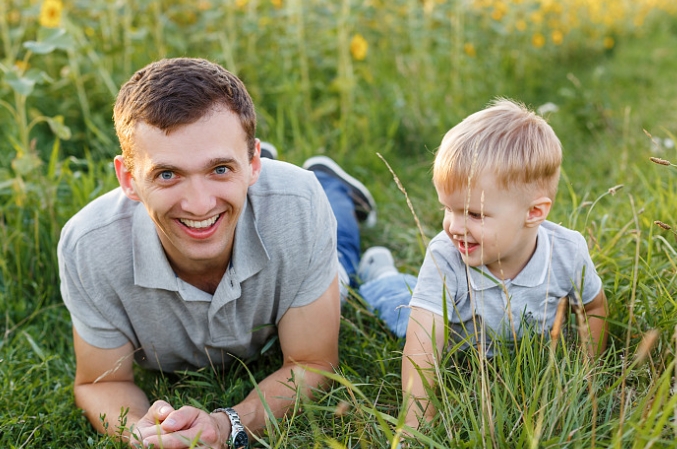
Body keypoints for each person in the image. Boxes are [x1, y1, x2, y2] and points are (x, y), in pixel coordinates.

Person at [57, 57, 376, 449]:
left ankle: (333, 183)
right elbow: (99, 383)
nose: (197, 203)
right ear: (128, 179)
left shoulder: (299, 204)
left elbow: (311, 362)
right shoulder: (88, 245)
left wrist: (227, 426)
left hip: (294, 207)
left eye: (219, 169)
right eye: (168, 174)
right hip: (255, 197)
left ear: (254, 162)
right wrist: (140, 433)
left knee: (345, 261)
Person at [400, 98, 609, 431]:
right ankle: (378, 272)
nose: (454, 226)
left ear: (534, 213)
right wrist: (416, 423)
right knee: (396, 307)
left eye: (474, 214)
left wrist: (588, 373)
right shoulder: (447, 254)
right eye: (448, 209)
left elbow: (593, 307)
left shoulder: (567, 252)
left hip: (522, 353)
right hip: (454, 341)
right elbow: (423, 343)